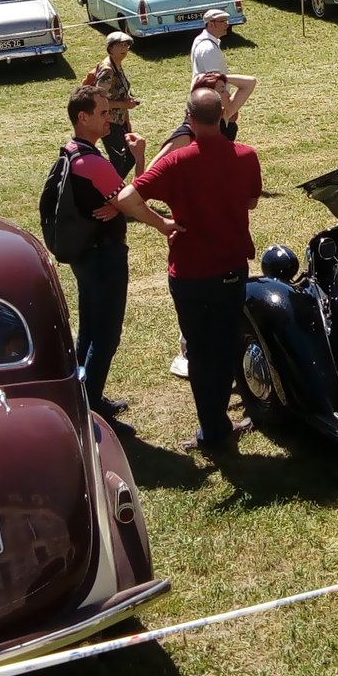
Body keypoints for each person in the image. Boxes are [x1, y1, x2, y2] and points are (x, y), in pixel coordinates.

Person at [113, 87, 261, 457]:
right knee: (225, 345)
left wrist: (162, 223)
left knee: (198, 349)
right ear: (222, 117)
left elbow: (127, 198)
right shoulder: (245, 155)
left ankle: (212, 429)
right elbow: (252, 201)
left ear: (190, 120)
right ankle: (218, 424)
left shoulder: (177, 162)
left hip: (189, 273)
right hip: (229, 268)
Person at [43, 85, 148, 417]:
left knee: (89, 329)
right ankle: (91, 413)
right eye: (103, 112)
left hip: (85, 257)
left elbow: (119, 199)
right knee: (106, 336)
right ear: (82, 117)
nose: (109, 118)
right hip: (105, 257)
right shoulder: (91, 161)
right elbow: (133, 202)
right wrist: (165, 226)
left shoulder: (71, 151)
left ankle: (84, 397)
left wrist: (117, 205)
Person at [83, 30, 140, 176]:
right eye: (119, 45)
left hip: (119, 121)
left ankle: (113, 190)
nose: (124, 48)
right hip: (108, 121)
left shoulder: (116, 65)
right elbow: (99, 100)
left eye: (126, 45)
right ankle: (109, 192)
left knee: (130, 155)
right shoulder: (108, 69)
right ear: (110, 48)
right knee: (120, 159)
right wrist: (124, 105)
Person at [191, 6, 232, 82]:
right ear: (211, 24)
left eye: (227, 21)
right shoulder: (208, 48)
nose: (227, 25)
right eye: (223, 22)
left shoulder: (201, 39)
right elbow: (214, 80)